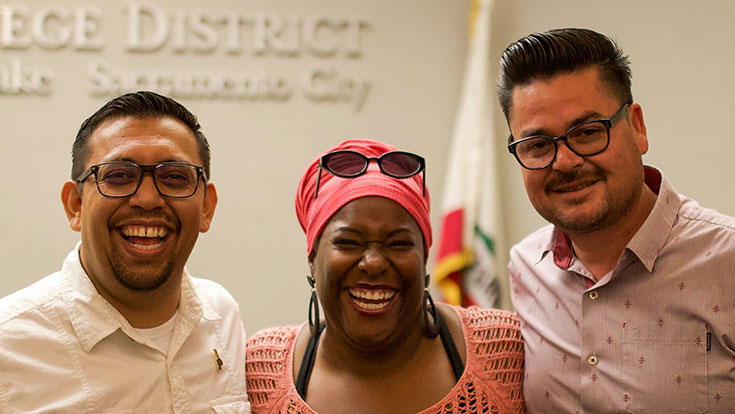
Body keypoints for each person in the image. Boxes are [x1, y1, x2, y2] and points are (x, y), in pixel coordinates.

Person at [498, 28, 735, 413]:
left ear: (637, 127)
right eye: (538, 145)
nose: (566, 161)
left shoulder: (727, 262)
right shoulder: (527, 268)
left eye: (588, 132)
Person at [0, 91, 249, 413]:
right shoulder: (9, 346)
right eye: (119, 176)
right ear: (75, 205)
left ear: (207, 207)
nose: (147, 199)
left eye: (174, 177)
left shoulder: (221, 317)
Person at [245, 139, 525, 413]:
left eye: (399, 244)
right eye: (349, 243)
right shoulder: (263, 371)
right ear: (312, 258)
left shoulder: (501, 350)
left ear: (425, 259)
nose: (374, 263)